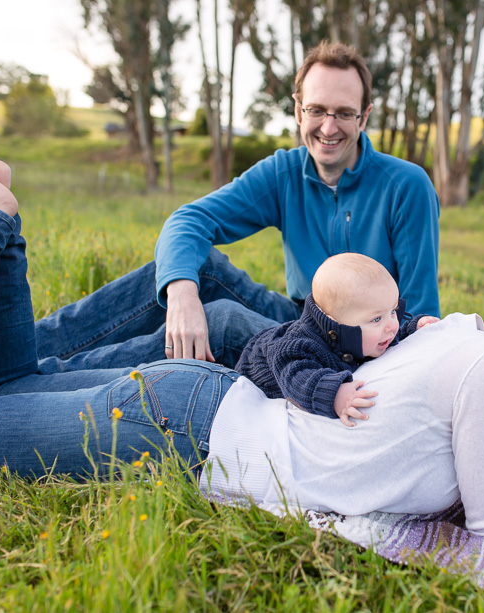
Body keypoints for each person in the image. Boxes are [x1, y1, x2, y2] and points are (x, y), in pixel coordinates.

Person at [0, 131, 484, 548]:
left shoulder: (461, 334)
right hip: (182, 431)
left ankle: (0, 222)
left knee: (1, 389)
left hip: (202, 404)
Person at [32, 41, 441, 374]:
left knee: (224, 320)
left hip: (365, 346)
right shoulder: (284, 172)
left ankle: (47, 377)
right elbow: (190, 220)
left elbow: (420, 315)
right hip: (299, 317)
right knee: (196, 268)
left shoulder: (406, 185)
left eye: (344, 113)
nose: (328, 127)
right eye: (316, 110)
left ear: (364, 117)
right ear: (298, 109)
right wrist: (181, 294)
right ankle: (21, 350)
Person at [235, 253, 438, 426]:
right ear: (336, 325)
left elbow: (390, 338)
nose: (392, 325)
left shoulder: (368, 334)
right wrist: (335, 394)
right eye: (377, 319)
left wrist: (413, 329)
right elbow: (298, 379)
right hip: (255, 377)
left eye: (393, 311)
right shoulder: (297, 348)